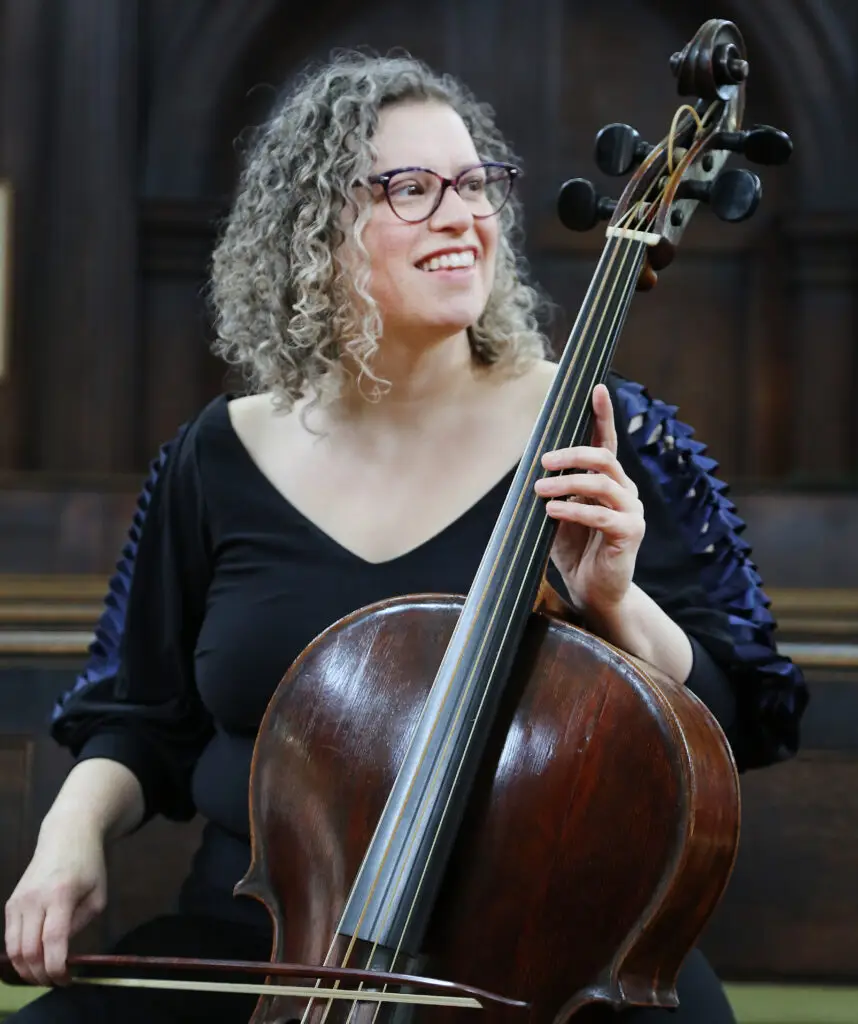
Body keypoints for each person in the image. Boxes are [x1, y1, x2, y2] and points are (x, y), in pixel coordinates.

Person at [3, 52, 807, 1024]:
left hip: (538, 952)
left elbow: (738, 719)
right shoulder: (216, 456)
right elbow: (140, 715)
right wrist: (69, 837)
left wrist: (617, 603)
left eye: (475, 184)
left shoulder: (603, 432)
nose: (463, 216)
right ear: (313, 228)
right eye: (412, 189)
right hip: (267, 941)